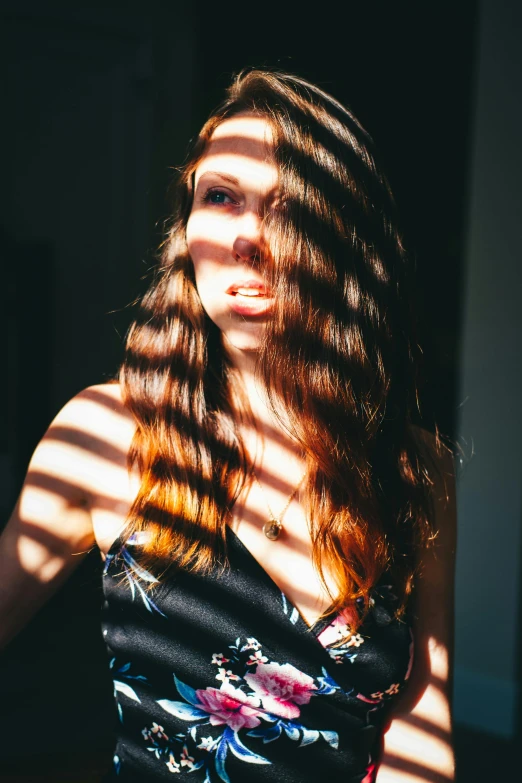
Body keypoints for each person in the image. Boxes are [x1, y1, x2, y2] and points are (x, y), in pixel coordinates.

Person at [1, 69, 456, 782]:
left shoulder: (413, 472)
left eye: (286, 207)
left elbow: (421, 717)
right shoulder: (108, 436)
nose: (248, 237)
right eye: (221, 197)